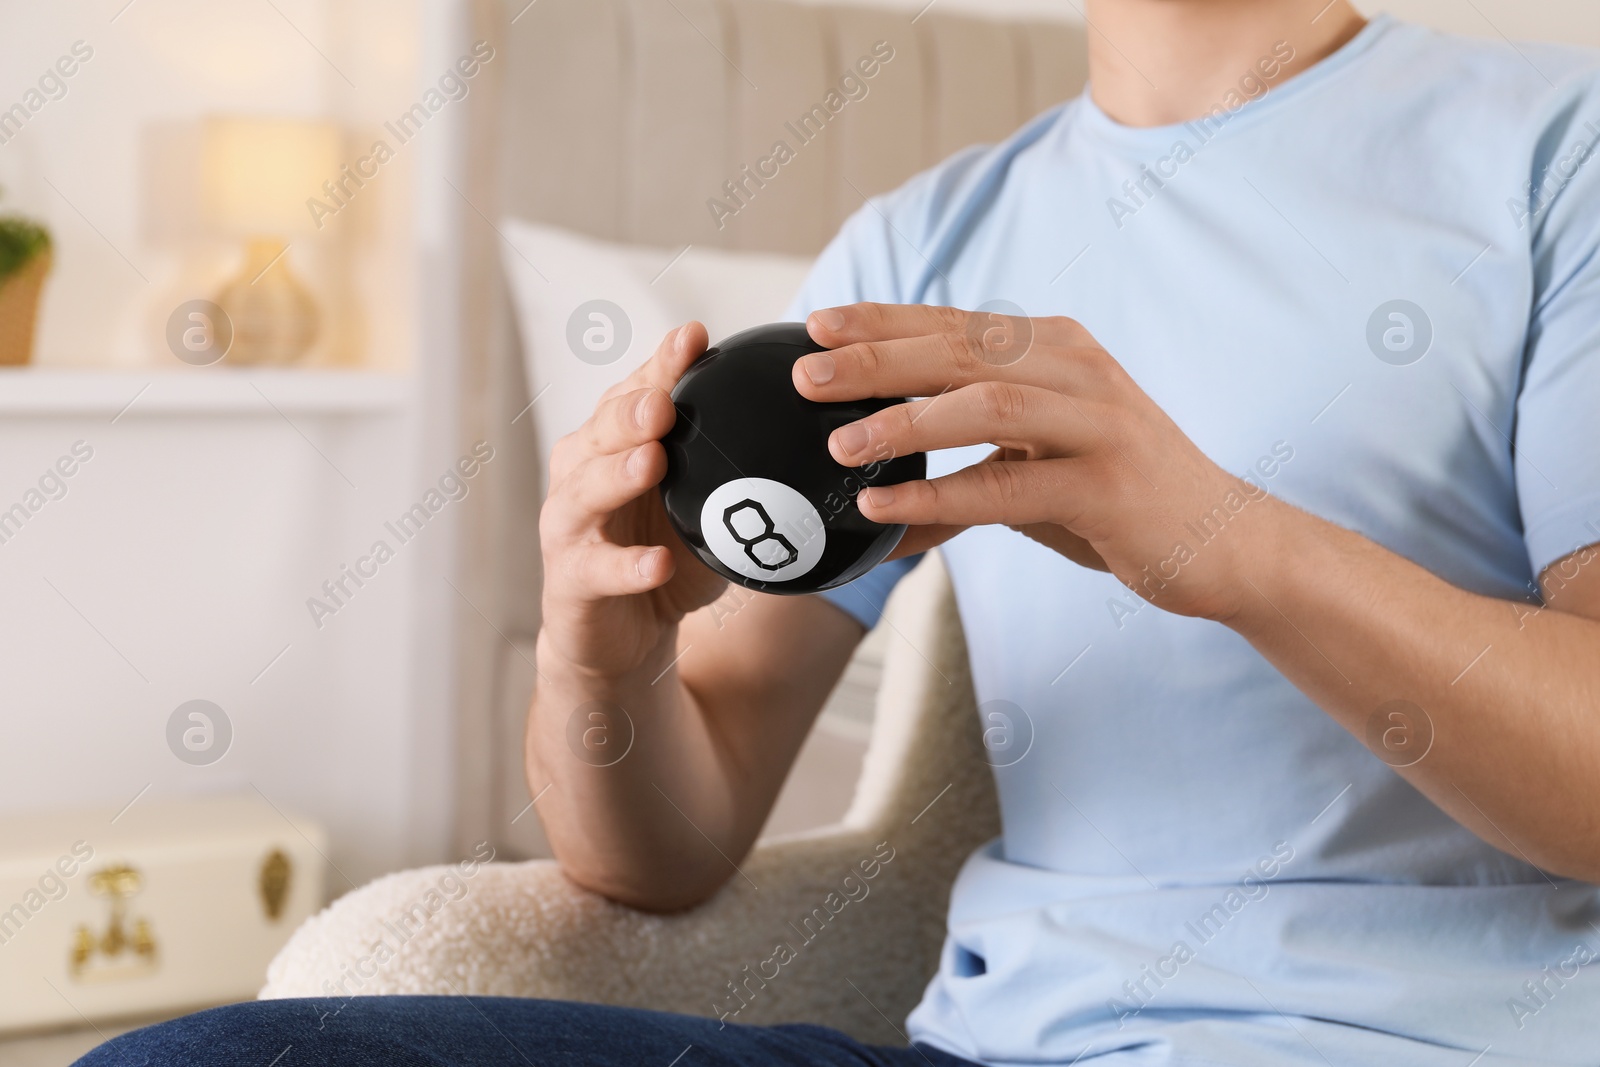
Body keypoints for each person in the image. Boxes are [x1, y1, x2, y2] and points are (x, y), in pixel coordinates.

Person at [81, 0, 1600, 1063]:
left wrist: (1223, 540)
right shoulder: (920, 245)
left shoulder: (1557, 150)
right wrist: (602, 659)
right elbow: (671, 851)